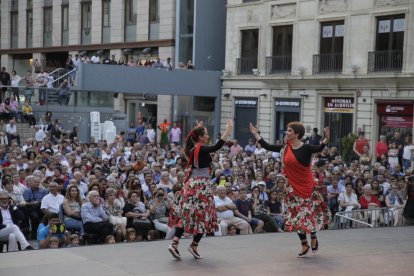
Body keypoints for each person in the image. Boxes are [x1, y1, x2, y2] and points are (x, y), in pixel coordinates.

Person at [250, 122, 331, 257]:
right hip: (292, 189)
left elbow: (320, 147)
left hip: (307, 187)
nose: (286, 133)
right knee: (296, 217)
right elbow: (267, 146)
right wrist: (255, 133)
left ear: (297, 134)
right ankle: (304, 244)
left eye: (289, 131)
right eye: (287, 131)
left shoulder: (306, 148)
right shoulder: (284, 148)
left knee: (308, 215)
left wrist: (326, 137)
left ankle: (314, 236)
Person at [168, 120, 233, 260]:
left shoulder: (191, 150)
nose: (208, 136)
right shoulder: (201, 149)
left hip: (191, 185)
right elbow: (218, 146)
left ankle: (175, 243)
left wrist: (197, 127)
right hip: (201, 187)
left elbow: (195, 139)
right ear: (200, 137)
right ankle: (193, 245)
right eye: (206, 134)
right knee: (203, 217)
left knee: (187, 215)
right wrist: (228, 130)